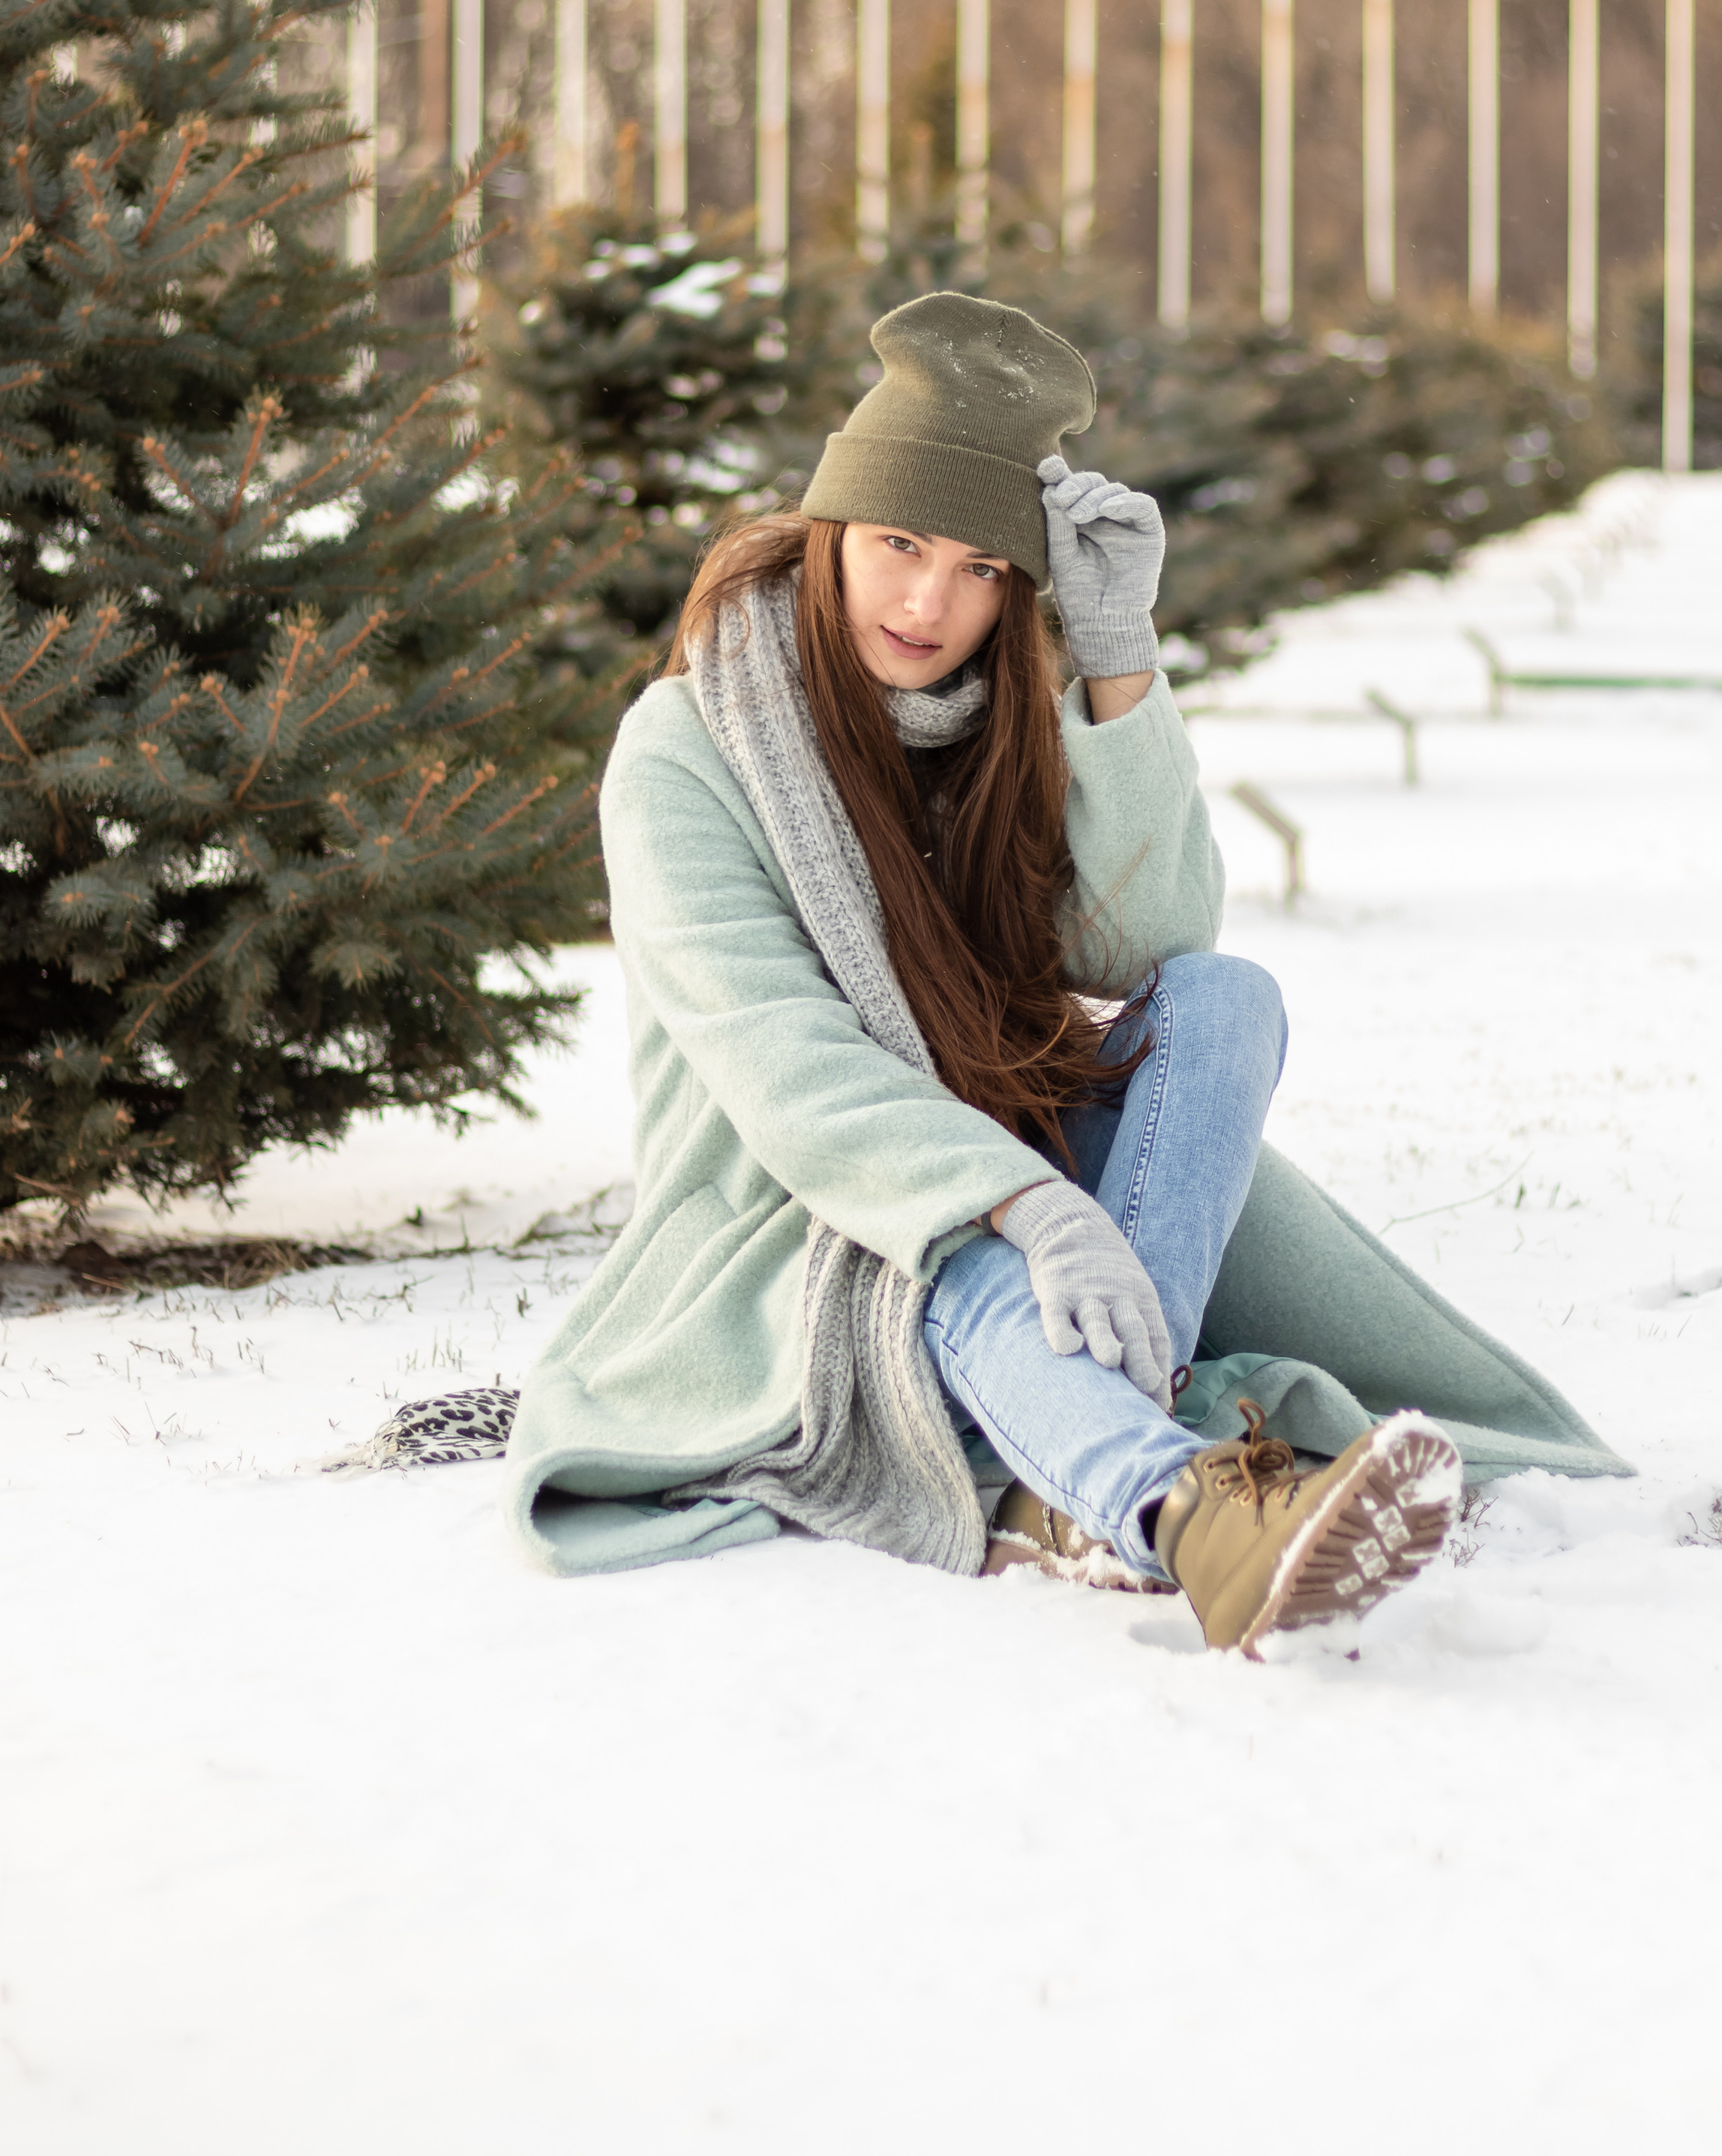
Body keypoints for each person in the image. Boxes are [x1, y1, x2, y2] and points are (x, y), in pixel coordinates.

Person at [502, 291, 1628, 1647]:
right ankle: (1181, 1513)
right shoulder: (689, 747)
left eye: (981, 568)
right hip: (797, 1215)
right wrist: (1024, 1205)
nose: (930, 600)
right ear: (828, 535)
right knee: (949, 1253)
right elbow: (781, 1063)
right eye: (899, 544)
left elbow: (1153, 946)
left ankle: (1075, 1440)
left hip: (1006, 1130)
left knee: (1228, 1002)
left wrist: (1120, 666)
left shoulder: (1000, 727)